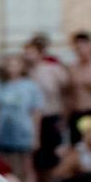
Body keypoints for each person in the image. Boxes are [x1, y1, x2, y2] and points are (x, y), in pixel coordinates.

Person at [0, 54, 44, 182]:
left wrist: (35, 136)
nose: (12, 67)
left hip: (23, 130)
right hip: (3, 130)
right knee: (4, 164)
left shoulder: (30, 86)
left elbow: (36, 112)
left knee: (26, 165)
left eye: (16, 64)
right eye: (9, 64)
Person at [23, 37, 69, 173]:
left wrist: (64, 117)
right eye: (26, 52)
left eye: (31, 52)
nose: (27, 55)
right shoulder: (26, 72)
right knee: (35, 158)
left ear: (40, 53)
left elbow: (66, 92)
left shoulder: (53, 69)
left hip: (51, 116)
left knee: (53, 156)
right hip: (32, 119)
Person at [67, 32, 91, 143]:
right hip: (76, 112)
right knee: (76, 147)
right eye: (76, 48)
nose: (79, 50)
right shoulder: (72, 67)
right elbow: (69, 94)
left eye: (82, 46)